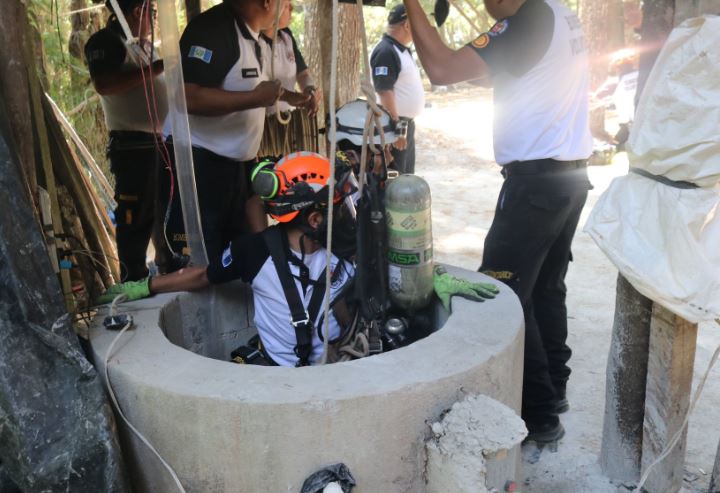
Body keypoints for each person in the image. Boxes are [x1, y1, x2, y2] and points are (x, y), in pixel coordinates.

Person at [402, 0, 593, 442]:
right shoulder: (556, 13)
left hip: (536, 184)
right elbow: (486, 70)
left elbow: (443, 70)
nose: (489, 11)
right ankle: (554, 390)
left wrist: (412, 4)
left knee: (502, 293)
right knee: (546, 287)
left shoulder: (529, 19)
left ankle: (540, 414)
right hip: (568, 176)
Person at [100, 152, 358, 367]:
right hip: (281, 378)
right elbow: (203, 275)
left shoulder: (343, 250)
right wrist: (145, 286)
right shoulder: (254, 251)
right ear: (314, 219)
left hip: (335, 368)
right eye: (338, 207)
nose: (346, 216)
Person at [164, 0, 299, 264]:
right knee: (201, 260)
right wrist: (254, 99)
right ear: (268, 2)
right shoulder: (213, 30)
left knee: (236, 254)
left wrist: (296, 98)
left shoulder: (255, 36)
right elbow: (188, 98)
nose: (286, 9)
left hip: (236, 165)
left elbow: (252, 87)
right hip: (199, 163)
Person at [85, 0, 167, 281]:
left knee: (159, 207)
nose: (154, 20)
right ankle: (133, 273)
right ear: (137, 12)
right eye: (152, 13)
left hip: (156, 142)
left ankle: (164, 261)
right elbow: (105, 85)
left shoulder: (142, 46)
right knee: (135, 212)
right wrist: (155, 70)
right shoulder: (107, 41)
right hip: (131, 144)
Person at [258, 0, 322, 158]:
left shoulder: (287, 36)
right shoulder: (254, 40)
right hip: (263, 126)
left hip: (289, 123)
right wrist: (289, 96)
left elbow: (303, 74)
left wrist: (309, 90)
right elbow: (257, 84)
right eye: (286, 6)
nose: (291, 9)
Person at [370, 4, 425, 175]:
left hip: (404, 124)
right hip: (393, 125)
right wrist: (398, 129)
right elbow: (384, 92)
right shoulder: (386, 51)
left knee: (406, 176)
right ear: (407, 25)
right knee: (395, 179)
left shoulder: (401, 50)